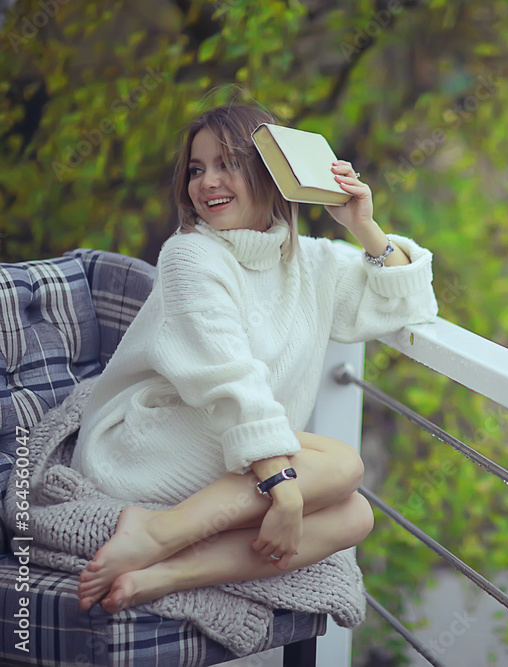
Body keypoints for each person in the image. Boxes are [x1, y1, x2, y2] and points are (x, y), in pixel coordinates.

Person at [70, 103, 438, 615]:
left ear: (272, 174)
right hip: (151, 443)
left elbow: (406, 304)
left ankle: (168, 569)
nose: (207, 182)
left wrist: (363, 226)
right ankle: (155, 533)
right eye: (197, 169)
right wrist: (282, 488)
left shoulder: (310, 261)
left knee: (355, 517)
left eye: (229, 164)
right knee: (343, 465)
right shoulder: (190, 254)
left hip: (231, 449)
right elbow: (227, 380)